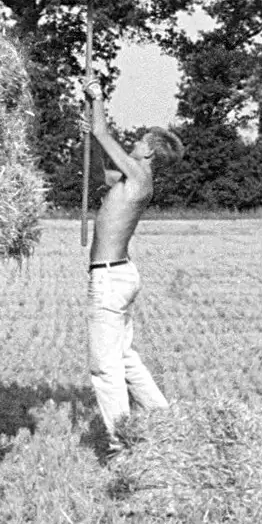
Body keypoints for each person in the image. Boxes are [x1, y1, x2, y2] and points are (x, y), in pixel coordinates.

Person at [81, 79, 181, 455]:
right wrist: (88, 126)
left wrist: (98, 99)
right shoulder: (130, 179)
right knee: (124, 359)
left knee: (104, 369)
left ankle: (122, 445)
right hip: (118, 273)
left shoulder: (139, 176)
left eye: (140, 140)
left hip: (108, 276)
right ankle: (164, 421)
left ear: (150, 153)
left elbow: (102, 132)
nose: (135, 143)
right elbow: (96, 172)